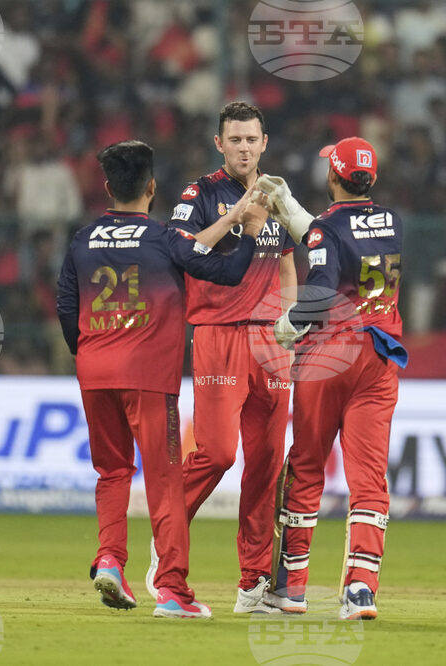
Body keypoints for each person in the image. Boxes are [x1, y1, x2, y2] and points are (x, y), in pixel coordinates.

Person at [56, 140, 269, 618]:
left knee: (112, 472)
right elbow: (228, 273)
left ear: (107, 187)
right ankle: (172, 590)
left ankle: (110, 559)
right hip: (148, 376)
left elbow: (66, 305)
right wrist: (251, 234)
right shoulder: (164, 239)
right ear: (151, 188)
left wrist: (86, 351)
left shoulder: (83, 239)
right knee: (165, 480)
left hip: (94, 372)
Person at [150, 101, 297, 613]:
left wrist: (291, 328)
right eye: (235, 139)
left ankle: (253, 582)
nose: (244, 148)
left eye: (251, 139)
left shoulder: (278, 196)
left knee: (266, 466)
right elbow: (182, 248)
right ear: (219, 144)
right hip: (219, 335)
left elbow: (286, 266)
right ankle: (165, 539)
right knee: (216, 453)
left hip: (271, 344)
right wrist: (235, 216)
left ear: (264, 143)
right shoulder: (200, 193)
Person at [264, 137, 405, 620]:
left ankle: (292, 588)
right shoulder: (393, 222)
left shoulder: (327, 229)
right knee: (369, 477)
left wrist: (288, 324)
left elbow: (322, 281)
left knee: (306, 466)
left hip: (329, 356)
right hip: (380, 357)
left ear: (332, 176)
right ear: (372, 178)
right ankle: (361, 588)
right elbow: (337, 237)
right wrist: (292, 210)